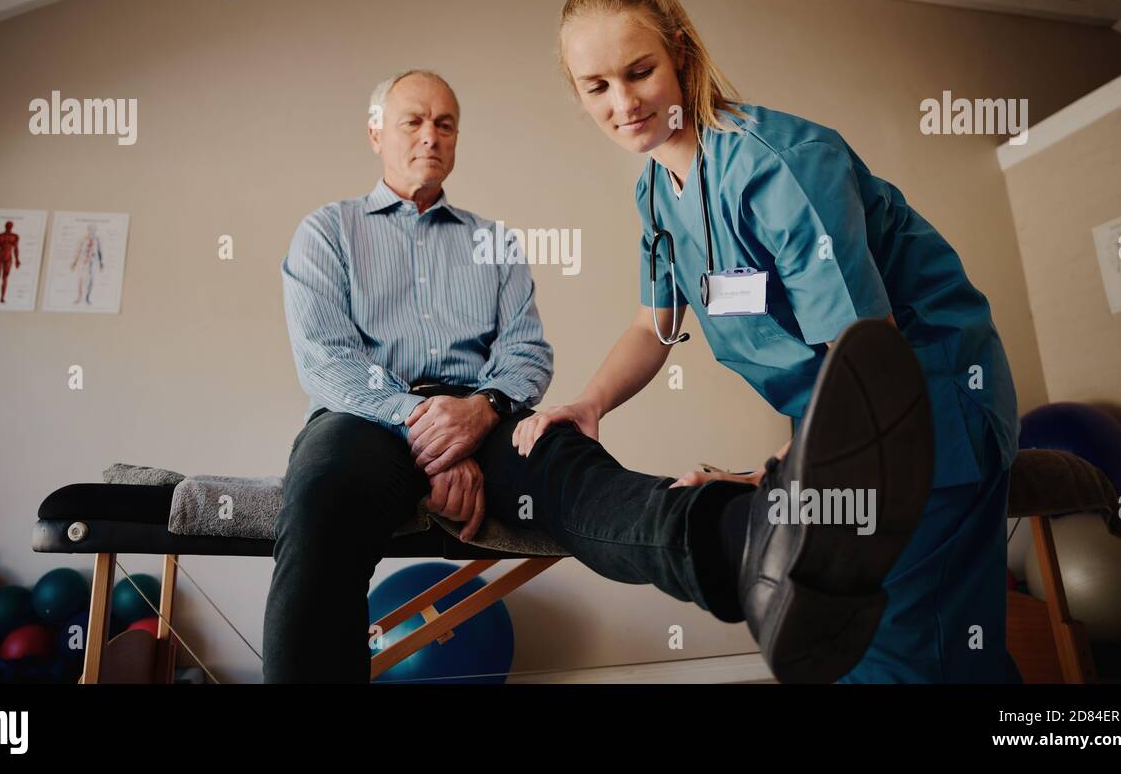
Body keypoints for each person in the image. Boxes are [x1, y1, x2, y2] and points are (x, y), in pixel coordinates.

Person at [264, 67, 933, 684]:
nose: (431, 135)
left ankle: (754, 544)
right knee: (320, 492)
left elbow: (526, 355)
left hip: (486, 414)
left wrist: (481, 412)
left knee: (577, 471)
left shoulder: (494, 242)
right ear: (376, 131)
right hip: (366, 421)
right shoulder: (327, 231)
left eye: (446, 123)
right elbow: (328, 361)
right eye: (413, 120)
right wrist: (427, 430)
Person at [511, 0, 1021, 683]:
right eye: (597, 86)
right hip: (853, 429)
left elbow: (862, 354)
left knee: (907, 659)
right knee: (904, 655)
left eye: (639, 71)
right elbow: (651, 326)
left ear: (681, 53)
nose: (623, 102)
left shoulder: (778, 165)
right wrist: (589, 404)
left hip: (929, 413)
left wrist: (784, 475)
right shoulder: (657, 195)